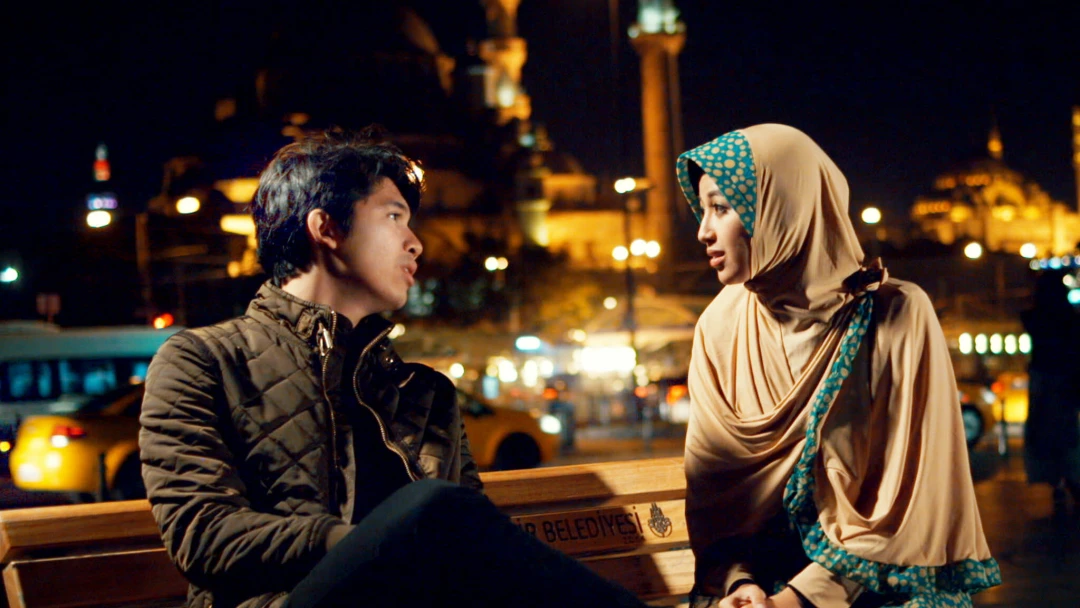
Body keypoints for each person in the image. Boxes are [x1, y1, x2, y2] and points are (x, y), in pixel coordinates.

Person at [138, 129, 650, 608]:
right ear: (327, 228)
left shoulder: (424, 394)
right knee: (435, 507)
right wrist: (379, 542)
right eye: (393, 217)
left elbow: (475, 550)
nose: (415, 243)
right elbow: (202, 534)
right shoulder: (204, 361)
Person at [674, 124, 1001, 608]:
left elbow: (904, 506)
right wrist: (740, 585)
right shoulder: (720, 328)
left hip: (873, 587)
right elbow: (718, 505)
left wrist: (799, 600)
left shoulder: (893, 315)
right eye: (702, 211)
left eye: (721, 208)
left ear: (783, 208)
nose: (704, 231)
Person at [1020, 270, 1080, 509]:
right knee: (1067, 434)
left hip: (1043, 381)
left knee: (1045, 433)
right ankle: (1071, 480)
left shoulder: (1036, 319)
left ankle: (1057, 482)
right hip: (1064, 381)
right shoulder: (1070, 319)